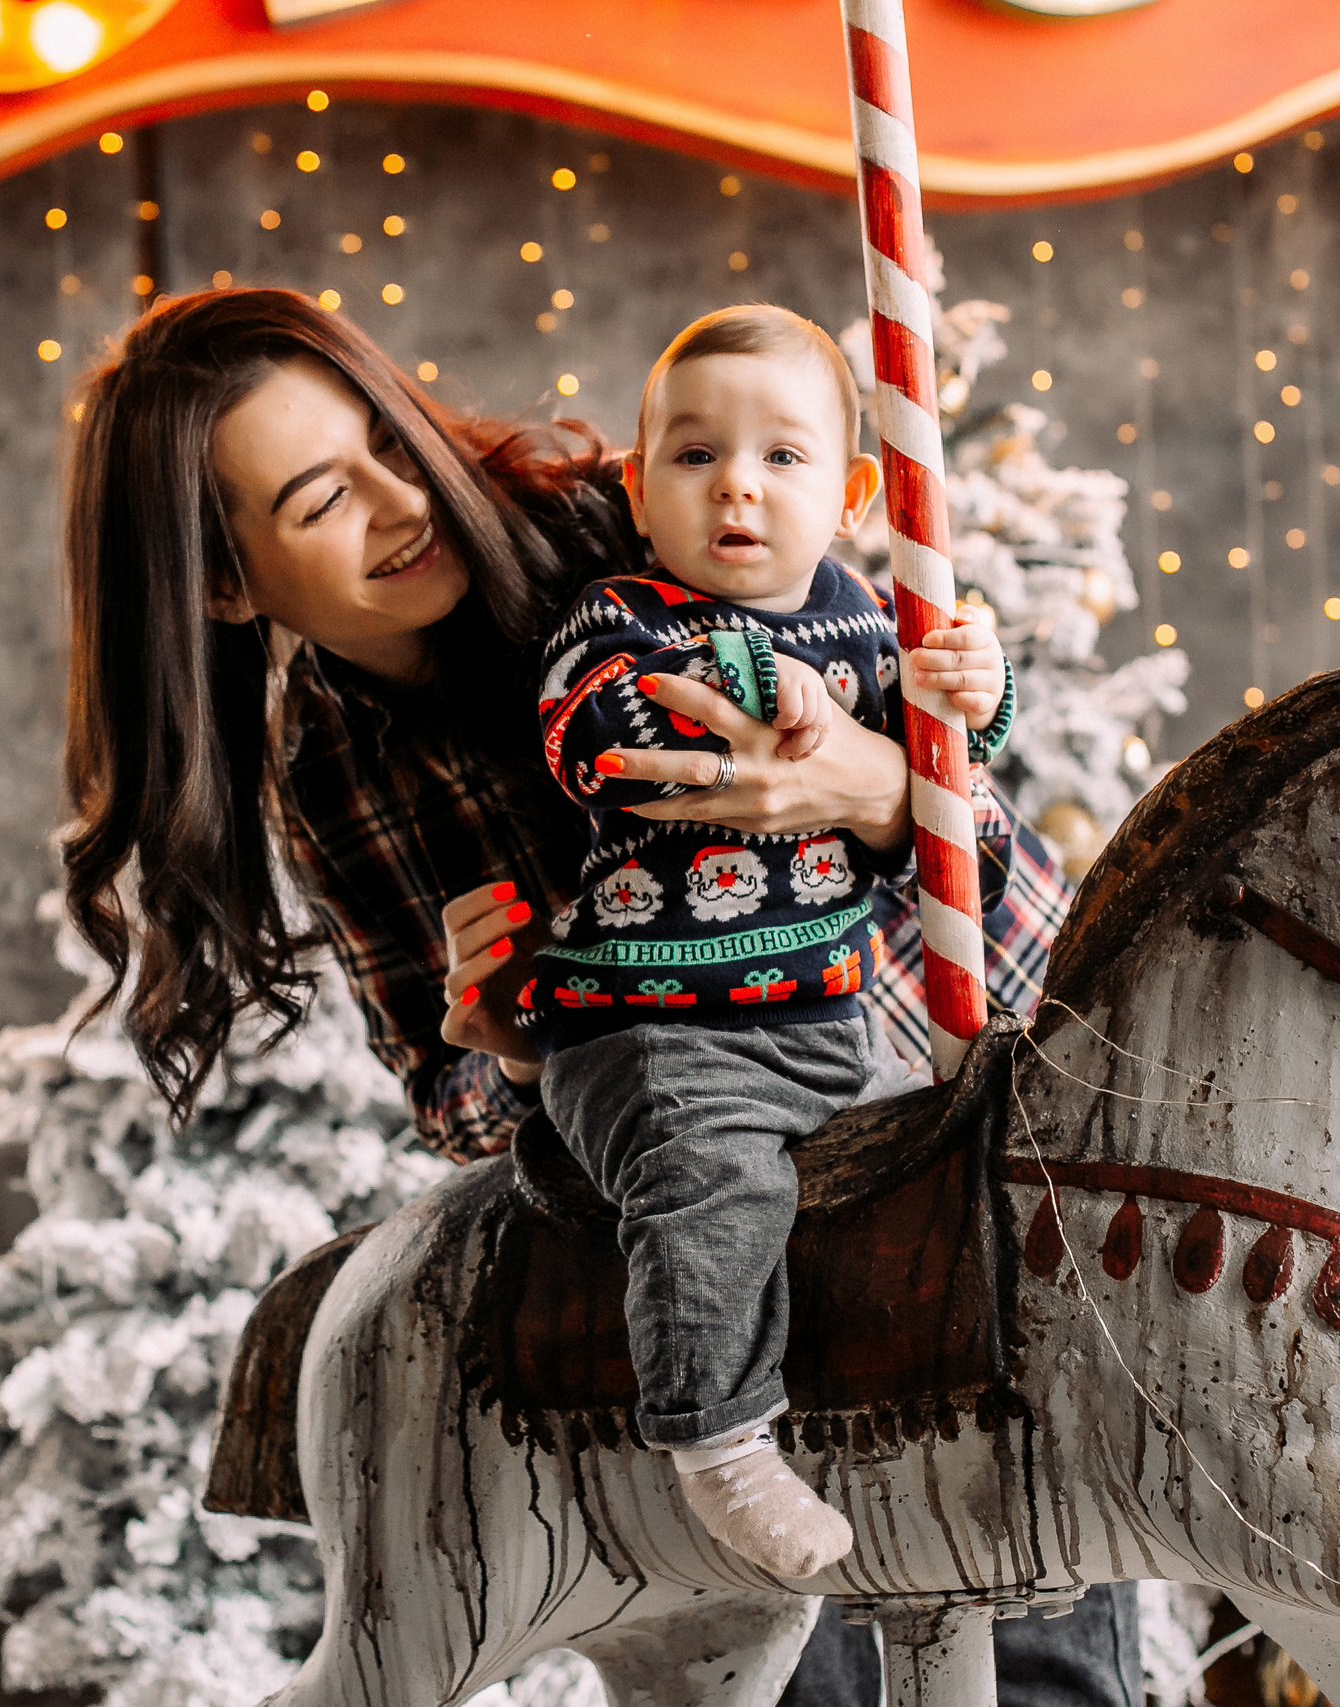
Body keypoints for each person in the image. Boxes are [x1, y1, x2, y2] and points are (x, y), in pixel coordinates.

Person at [57, 284, 1135, 1706]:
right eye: (323, 497)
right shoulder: (332, 766)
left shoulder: (634, 514)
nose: (399, 502)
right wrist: (500, 1043)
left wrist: (880, 787)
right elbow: (447, 1101)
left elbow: (962, 809)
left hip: (929, 1060)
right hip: (703, 1172)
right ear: (223, 580)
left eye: (390, 437)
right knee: (790, 1639)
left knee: (1017, 1596)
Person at [519, 304, 1016, 1578]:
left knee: (941, 1160)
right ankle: (719, 1437)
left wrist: (971, 686)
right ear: (638, 489)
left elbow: (957, 791)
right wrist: (747, 685)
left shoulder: (867, 623)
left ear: (851, 492)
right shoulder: (618, 619)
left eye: (782, 458)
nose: (736, 483)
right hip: (653, 1031)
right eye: (693, 457)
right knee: (715, 1186)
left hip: (822, 1022)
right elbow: (596, 745)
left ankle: (938, 1406)